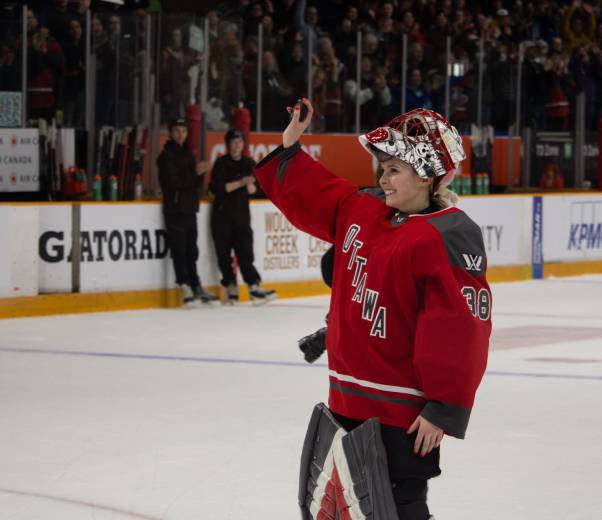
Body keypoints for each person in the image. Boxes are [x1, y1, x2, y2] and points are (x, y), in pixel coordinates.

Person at [254, 99, 492, 519]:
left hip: (403, 416)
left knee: (401, 508)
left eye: (394, 169)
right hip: (346, 400)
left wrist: (443, 407)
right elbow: (316, 196)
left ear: (427, 176)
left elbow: (459, 330)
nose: (383, 178)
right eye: (381, 168)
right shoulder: (362, 210)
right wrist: (291, 146)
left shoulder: (448, 234)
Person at [208, 128, 277, 305]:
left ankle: (253, 285)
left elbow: (255, 191)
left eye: (240, 142)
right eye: (234, 142)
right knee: (223, 254)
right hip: (222, 216)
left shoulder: (249, 164)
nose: (237, 145)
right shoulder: (221, 164)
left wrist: (250, 186)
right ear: (228, 144)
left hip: (241, 216)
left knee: (245, 252)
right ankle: (230, 284)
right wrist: (241, 182)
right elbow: (218, 188)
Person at [157, 118, 218, 307]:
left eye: (183, 131)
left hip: (190, 208)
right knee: (180, 250)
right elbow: (173, 183)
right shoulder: (166, 156)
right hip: (175, 210)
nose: (180, 135)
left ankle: (195, 284)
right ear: (171, 132)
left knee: (192, 250)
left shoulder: (188, 154)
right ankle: (184, 285)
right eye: (177, 131)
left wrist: (199, 176)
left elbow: (192, 183)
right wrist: (196, 173)